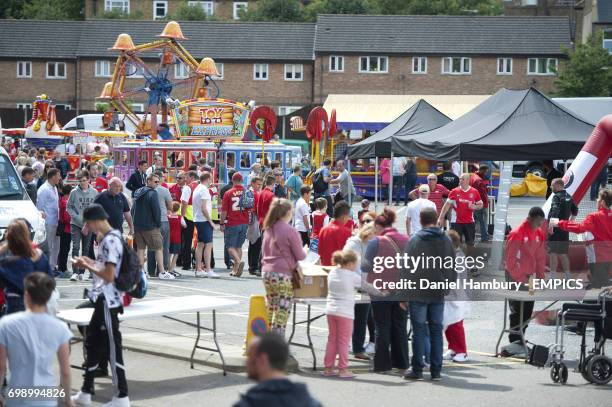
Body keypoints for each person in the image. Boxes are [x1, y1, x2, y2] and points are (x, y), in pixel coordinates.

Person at [71, 204, 130, 407]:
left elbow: (109, 275)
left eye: (88, 223)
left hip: (108, 300)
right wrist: (89, 261)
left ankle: (122, 396)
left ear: (96, 220)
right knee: (92, 343)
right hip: (104, 300)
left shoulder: (110, 240)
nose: (88, 227)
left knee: (113, 348)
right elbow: (105, 268)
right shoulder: (112, 237)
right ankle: (86, 391)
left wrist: (86, 265)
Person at [0, 273, 73, 407]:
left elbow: (1, 366)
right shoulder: (60, 327)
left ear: (26, 295)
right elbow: (65, 371)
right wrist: (68, 399)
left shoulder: (6, 324)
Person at [402, 207, 455, 381]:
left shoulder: (415, 240)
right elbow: (451, 266)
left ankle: (417, 369)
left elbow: (406, 268)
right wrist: (448, 286)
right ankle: (436, 370)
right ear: (436, 220)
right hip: (438, 290)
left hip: (418, 291)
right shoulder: (445, 240)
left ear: (421, 220)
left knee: (418, 331)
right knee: (436, 331)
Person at [362, 207, 409, 373]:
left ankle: (382, 365)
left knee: (382, 327)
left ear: (379, 227)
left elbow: (365, 267)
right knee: (400, 326)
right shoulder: (406, 239)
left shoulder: (376, 242)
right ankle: (402, 363)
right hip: (401, 290)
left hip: (381, 290)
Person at [502, 207, 547, 356]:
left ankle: (520, 338)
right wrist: (521, 280)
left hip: (530, 277)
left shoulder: (539, 233)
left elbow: (540, 257)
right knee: (517, 309)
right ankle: (514, 340)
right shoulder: (516, 234)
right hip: (515, 276)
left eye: (542, 221)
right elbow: (510, 261)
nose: (540, 224)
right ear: (530, 218)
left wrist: (541, 278)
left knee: (528, 310)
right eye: (539, 221)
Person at [235, 333, 321, 407]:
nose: (246, 361)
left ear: (262, 360)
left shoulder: (248, 403)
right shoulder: (310, 402)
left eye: (250, 356)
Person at [261, 199, 306, 335]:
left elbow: (264, 251)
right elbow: (300, 255)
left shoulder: (268, 228)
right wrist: (306, 251)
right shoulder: (290, 231)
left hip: (267, 272)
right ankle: (277, 344)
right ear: (287, 212)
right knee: (282, 309)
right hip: (283, 274)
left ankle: (265, 340)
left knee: (270, 306)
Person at [551, 188, 612, 288]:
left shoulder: (594, 216)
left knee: (596, 287)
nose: (596, 200)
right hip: (608, 259)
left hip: (597, 258)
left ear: (603, 202)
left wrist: (559, 223)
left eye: (598, 198)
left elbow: (580, 228)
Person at [322, 249, 361, 378]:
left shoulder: (332, 272)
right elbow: (366, 286)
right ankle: (343, 369)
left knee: (332, 339)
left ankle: (328, 367)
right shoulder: (352, 276)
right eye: (355, 264)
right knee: (344, 341)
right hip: (345, 312)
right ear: (349, 263)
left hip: (331, 310)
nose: (356, 267)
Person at [0, 219, 53, 314]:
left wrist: (3, 248)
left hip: (15, 307)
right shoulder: (40, 257)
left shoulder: (7, 264)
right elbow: (50, 281)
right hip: (39, 305)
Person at [343, 222, 377, 360]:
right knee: (359, 319)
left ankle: (358, 348)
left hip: (363, 285)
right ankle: (356, 349)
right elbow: (352, 267)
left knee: (366, 317)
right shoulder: (354, 244)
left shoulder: (368, 244)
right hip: (354, 286)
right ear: (368, 233)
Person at [443, 230, 471, 363]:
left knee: (456, 324)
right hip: (450, 296)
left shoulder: (458, 257)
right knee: (448, 323)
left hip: (457, 296)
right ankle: (453, 347)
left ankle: (462, 351)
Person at [132, 173, 167, 279]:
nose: (157, 184)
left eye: (158, 181)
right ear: (148, 181)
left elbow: (133, 209)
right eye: (155, 181)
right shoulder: (153, 193)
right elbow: (156, 210)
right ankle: (162, 272)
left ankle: (141, 272)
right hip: (150, 226)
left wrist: (133, 225)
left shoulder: (138, 192)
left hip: (138, 226)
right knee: (158, 248)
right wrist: (158, 224)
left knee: (140, 249)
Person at [67, 170, 99, 281]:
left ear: (88, 180)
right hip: (76, 223)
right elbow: (69, 207)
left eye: (84, 180)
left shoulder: (94, 192)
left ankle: (81, 271)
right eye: (80, 181)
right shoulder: (74, 192)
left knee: (86, 249)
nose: (82, 183)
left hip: (89, 224)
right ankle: (75, 272)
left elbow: (97, 207)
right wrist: (76, 217)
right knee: (75, 247)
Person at [437, 174, 483, 247]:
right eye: (460, 179)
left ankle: (469, 257)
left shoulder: (474, 191)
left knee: (470, 244)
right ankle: (457, 258)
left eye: (462, 179)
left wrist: (475, 206)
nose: (460, 180)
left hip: (469, 222)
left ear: (468, 180)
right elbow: (446, 206)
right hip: (456, 222)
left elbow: (481, 204)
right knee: (456, 244)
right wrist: (440, 218)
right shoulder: (454, 191)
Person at [547, 178, 578, 280]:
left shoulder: (556, 197)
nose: (551, 187)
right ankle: (568, 276)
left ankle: (552, 277)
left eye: (552, 185)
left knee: (553, 253)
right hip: (565, 228)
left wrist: (551, 226)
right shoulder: (568, 196)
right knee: (563, 254)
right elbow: (575, 210)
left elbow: (554, 211)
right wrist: (570, 222)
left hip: (555, 227)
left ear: (558, 185)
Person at [145, 170, 173, 279]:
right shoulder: (164, 190)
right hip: (163, 220)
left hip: (150, 221)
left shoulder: (144, 191)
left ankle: (151, 270)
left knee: (152, 247)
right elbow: (170, 206)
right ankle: (163, 270)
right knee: (164, 247)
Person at [221, 172, 250, 277]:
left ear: (232, 180)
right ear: (242, 180)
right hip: (244, 221)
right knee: (238, 246)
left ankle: (238, 261)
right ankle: (236, 270)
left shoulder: (228, 193)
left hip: (233, 222)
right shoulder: (246, 192)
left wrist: (221, 222)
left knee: (230, 246)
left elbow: (224, 211)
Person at [193, 172, 218, 278]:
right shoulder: (204, 190)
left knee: (200, 245)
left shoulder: (198, 188)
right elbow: (204, 208)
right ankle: (208, 270)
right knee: (208, 245)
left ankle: (199, 269)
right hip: (204, 220)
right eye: (211, 178)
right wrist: (211, 222)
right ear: (207, 179)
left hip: (198, 219)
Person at [36, 167, 61, 271]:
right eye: (58, 175)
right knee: (48, 247)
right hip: (48, 222)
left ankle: (52, 266)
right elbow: (39, 207)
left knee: (55, 246)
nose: (60, 178)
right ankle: (46, 268)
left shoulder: (54, 187)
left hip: (56, 221)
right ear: (53, 176)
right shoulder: (44, 189)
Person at [318, 201, 353, 266]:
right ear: (344, 216)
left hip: (325, 268)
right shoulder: (347, 232)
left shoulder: (323, 230)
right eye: (348, 216)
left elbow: (320, 252)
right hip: (340, 270)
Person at [179, 170, 198, 271]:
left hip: (188, 217)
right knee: (199, 242)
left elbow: (184, 203)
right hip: (199, 217)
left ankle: (186, 264)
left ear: (192, 177)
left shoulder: (187, 188)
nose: (185, 179)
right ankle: (198, 263)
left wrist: (181, 216)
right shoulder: (201, 187)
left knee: (186, 242)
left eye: (186, 177)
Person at [247, 176, 263, 276]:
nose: (259, 186)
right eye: (258, 184)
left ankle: (252, 266)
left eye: (260, 184)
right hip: (254, 219)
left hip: (252, 219)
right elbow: (255, 208)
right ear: (253, 183)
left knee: (253, 244)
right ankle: (253, 266)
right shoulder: (253, 193)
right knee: (256, 243)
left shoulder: (251, 192)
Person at [470, 165, 490, 242]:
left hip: (474, 202)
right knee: (483, 222)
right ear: (483, 170)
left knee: (473, 221)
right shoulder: (479, 181)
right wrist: (485, 204)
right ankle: (484, 237)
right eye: (485, 171)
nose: (485, 173)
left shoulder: (472, 176)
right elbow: (483, 194)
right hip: (481, 204)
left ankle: (470, 236)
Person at [58, 184, 73, 278]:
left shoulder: (62, 199)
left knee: (64, 249)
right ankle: (63, 269)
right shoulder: (65, 201)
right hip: (66, 228)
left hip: (65, 227)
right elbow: (66, 217)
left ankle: (62, 268)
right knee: (65, 249)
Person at [167, 201, 184, 276]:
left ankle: (167, 268)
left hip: (169, 237)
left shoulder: (168, 217)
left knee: (169, 253)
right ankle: (172, 269)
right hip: (177, 238)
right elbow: (185, 225)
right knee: (176, 254)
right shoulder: (180, 217)